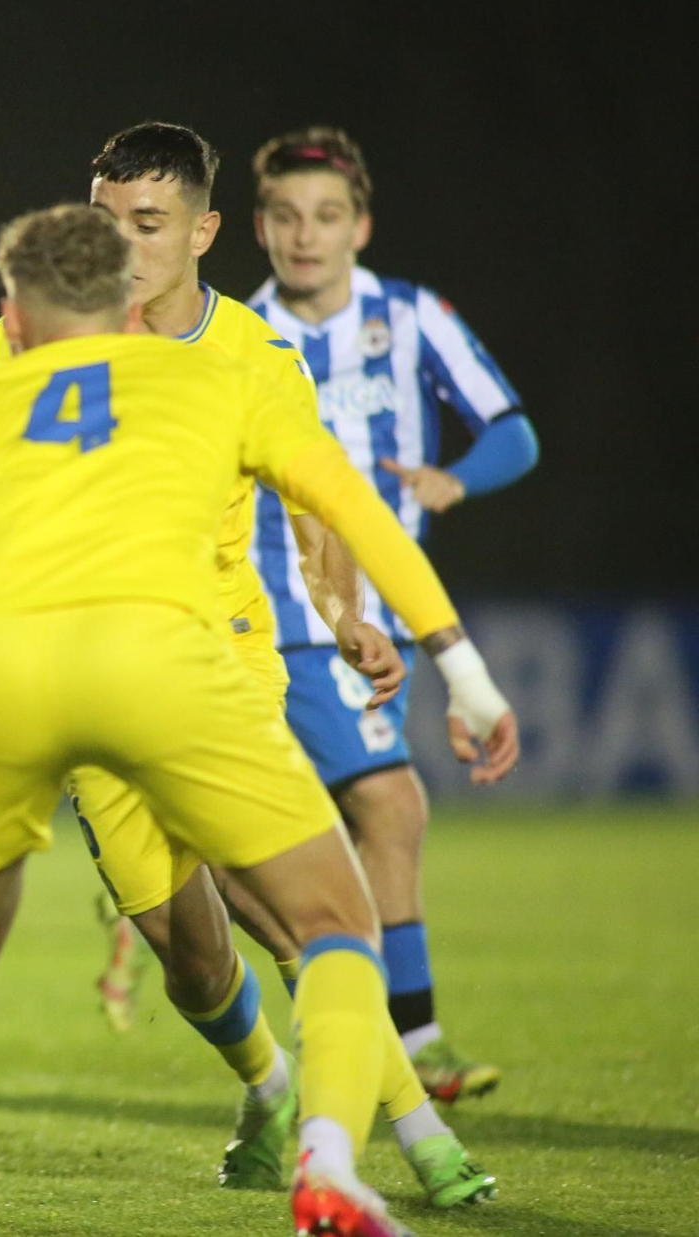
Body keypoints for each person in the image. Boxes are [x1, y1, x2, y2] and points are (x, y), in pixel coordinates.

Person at [0, 203, 520, 1237]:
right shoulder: (213, 379)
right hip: (168, 670)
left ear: (9, 319)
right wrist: (459, 670)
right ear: (127, 305)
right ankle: (328, 1164)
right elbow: (353, 510)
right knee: (333, 922)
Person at [0, 126, 493, 1206]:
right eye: (102, 219)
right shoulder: (40, 332)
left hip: (223, 666)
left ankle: (418, 1135)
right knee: (193, 958)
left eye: (145, 224)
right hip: (90, 685)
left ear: (204, 232)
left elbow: (316, 504)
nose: (117, 243)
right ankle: (265, 1086)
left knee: (297, 912)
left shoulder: (253, 357)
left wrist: (345, 614)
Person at [248, 126, 540, 1101]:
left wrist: (449, 481)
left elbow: (513, 432)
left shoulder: (411, 319)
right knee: (390, 806)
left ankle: (327, 1039)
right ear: (256, 227)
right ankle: (406, 1047)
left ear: (358, 225)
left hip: (381, 616)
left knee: (313, 839)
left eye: (324, 216)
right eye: (285, 216)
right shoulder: (238, 336)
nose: (304, 235)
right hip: (283, 612)